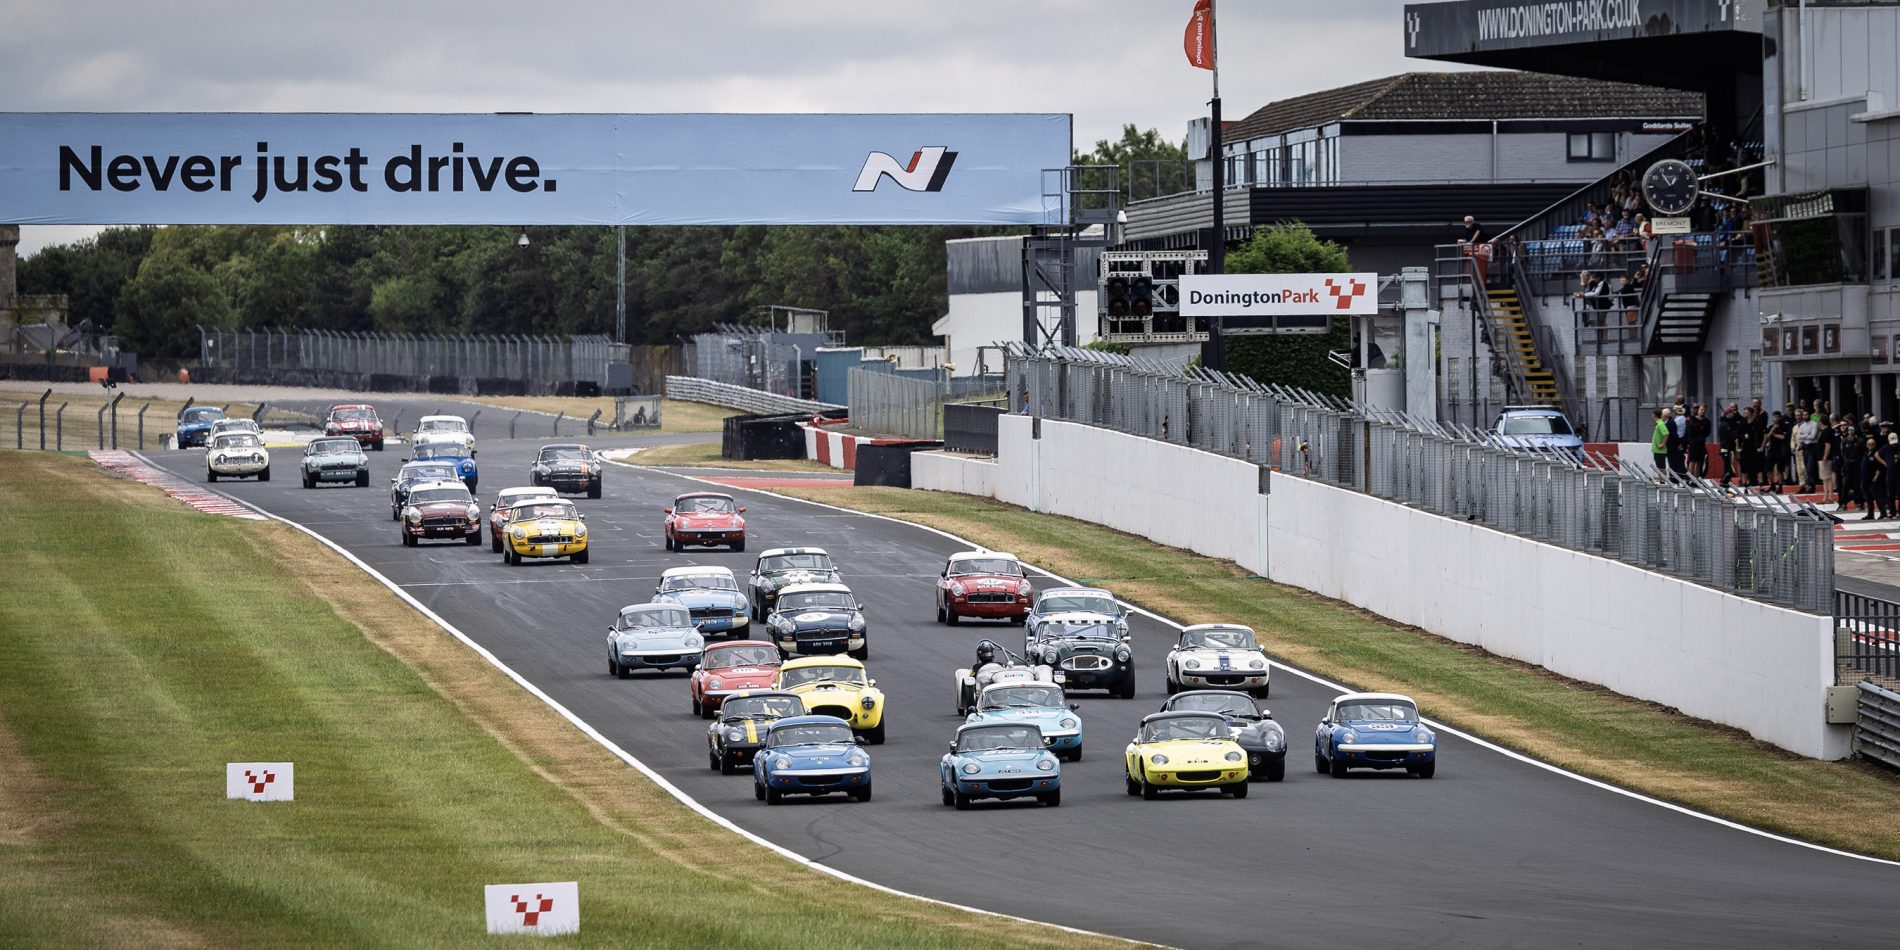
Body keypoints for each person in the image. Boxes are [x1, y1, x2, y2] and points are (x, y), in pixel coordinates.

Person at [1761, 411, 1791, 492]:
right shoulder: (1771, 427)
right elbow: (1767, 438)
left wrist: (1774, 434)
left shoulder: (1784, 426)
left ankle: (1780, 487)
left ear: (1780, 417)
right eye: (1775, 417)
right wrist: (1772, 431)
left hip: (1781, 450)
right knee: (1768, 469)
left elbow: (1783, 437)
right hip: (1771, 450)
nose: (1776, 419)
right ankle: (1772, 485)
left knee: (1780, 470)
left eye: (1778, 417)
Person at [1795, 411, 1822, 493]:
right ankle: (1809, 485)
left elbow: (1813, 436)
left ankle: (1811, 486)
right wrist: (1807, 434)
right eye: (1803, 415)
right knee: (1806, 468)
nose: (1805, 416)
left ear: (1809, 415)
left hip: (1812, 447)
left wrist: (1804, 435)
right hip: (1805, 448)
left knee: (1810, 468)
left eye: (1806, 414)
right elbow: (1799, 436)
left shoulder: (1814, 424)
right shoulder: (1802, 426)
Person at [1716, 403, 1741, 486]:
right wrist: (1737, 435)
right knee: (1729, 468)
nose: (1733, 415)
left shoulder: (1726, 423)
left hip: (1726, 448)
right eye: (1731, 413)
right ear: (1728, 414)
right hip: (1726, 448)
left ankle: (1725, 481)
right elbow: (1732, 435)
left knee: (1727, 466)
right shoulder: (1725, 425)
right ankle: (1724, 481)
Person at [1686, 404, 1712, 479]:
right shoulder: (1691, 419)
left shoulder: (1706, 420)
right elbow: (1690, 430)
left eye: (1704, 410)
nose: (1702, 411)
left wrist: (1701, 428)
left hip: (1701, 443)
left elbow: (1707, 432)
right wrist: (1700, 427)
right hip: (1693, 443)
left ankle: (1697, 478)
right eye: (1701, 409)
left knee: (1699, 461)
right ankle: (1690, 478)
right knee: (1692, 461)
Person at [1861, 435, 1884, 520]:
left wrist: (1876, 476)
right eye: (1869, 444)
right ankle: (1870, 514)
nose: (1870, 446)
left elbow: (1880, 466)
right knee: (1868, 497)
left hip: (1873, 478)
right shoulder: (1866, 453)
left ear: (1875, 445)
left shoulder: (1876, 454)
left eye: (1872, 444)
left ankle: (1883, 512)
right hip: (1865, 478)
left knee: (1877, 496)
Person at [1650, 408, 1671, 474]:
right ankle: (1662, 479)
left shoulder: (1660, 424)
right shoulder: (1658, 424)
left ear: (1654, 415)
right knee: (1660, 468)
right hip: (1657, 450)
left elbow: (1666, 434)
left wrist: (1662, 444)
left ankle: (1663, 480)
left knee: (1661, 468)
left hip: (1660, 450)